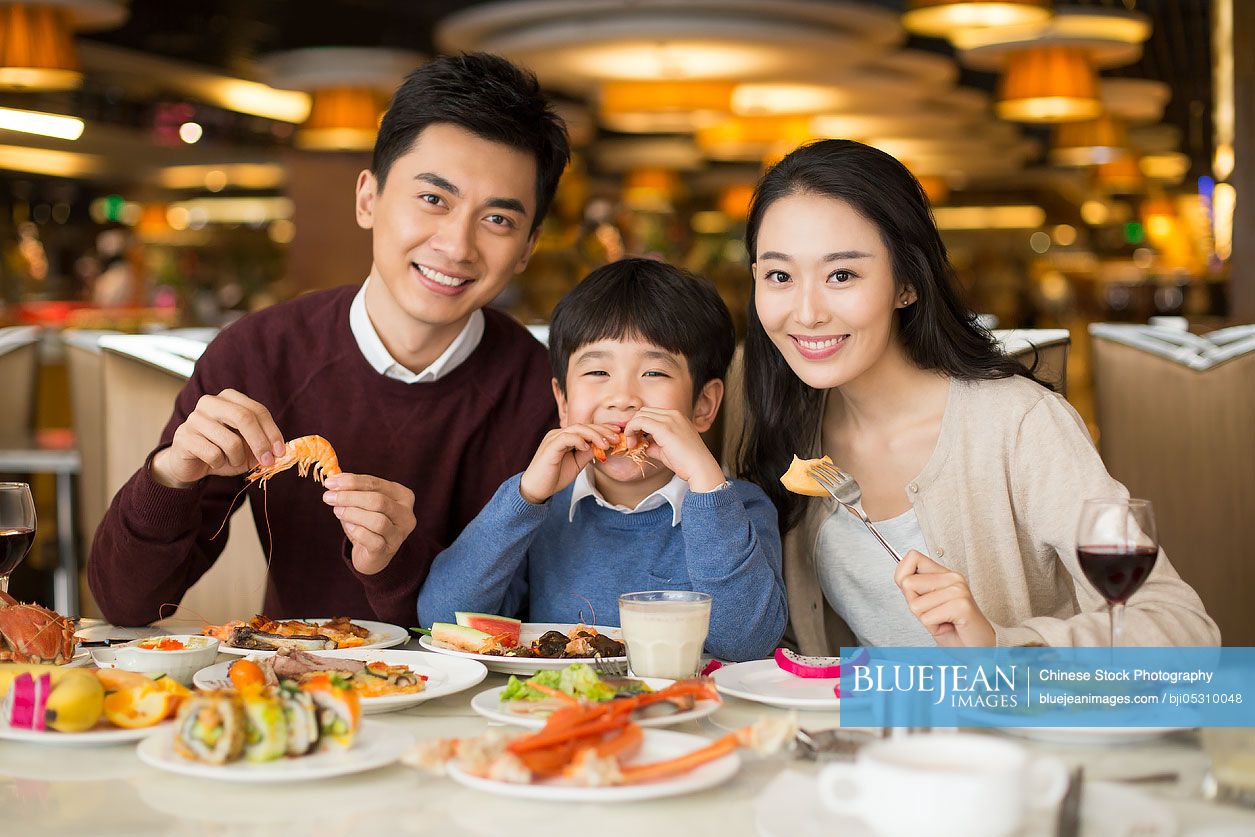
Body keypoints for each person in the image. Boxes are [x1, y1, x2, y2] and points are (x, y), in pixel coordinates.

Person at [89, 53, 571, 627]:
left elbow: (540, 614)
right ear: (368, 198)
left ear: (527, 247)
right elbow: (126, 604)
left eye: (497, 220)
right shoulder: (258, 354)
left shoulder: (548, 394)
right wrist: (170, 475)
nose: (457, 245)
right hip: (294, 685)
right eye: (433, 199)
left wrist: (397, 562)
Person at [732, 139, 1218, 650]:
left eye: (842, 274)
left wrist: (1000, 648)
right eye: (780, 275)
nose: (806, 312)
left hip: (1021, 727)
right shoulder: (780, 422)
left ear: (907, 284)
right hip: (869, 727)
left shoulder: (1018, 425)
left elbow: (1180, 627)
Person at [418, 258, 787, 661]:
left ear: (703, 404)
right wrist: (525, 496)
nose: (622, 397)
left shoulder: (739, 509)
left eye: (655, 374)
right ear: (562, 401)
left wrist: (705, 481)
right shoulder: (539, 512)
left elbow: (747, 643)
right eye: (597, 371)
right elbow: (443, 620)